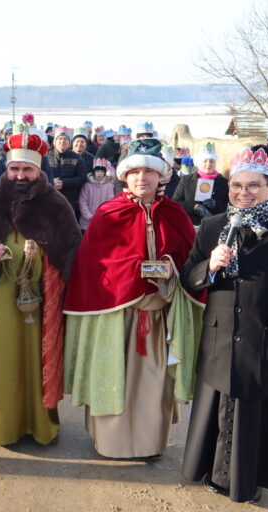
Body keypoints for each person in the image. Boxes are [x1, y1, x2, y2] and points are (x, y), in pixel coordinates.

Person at [180, 145, 268, 503]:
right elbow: (186, 278)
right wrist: (209, 266)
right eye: (237, 185)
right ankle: (211, 471)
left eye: (253, 185)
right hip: (219, 339)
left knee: (254, 416)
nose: (243, 192)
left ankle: (246, 480)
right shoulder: (212, 228)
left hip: (264, 343)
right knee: (216, 409)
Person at [63, 138, 202, 460]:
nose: (143, 178)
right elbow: (94, 267)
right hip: (117, 316)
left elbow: (191, 259)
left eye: (149, 172)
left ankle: (149, 442)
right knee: (115, 377)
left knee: (153, 384)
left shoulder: (175, 214)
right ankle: (111, 442)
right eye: (136, 171)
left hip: (160, 317)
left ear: (161, 176)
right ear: (124, 176)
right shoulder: (108, 214)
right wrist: (132, 271)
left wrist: (172, 269)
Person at [0, 123, 81, 446]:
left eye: (26, 169)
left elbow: (70, 254)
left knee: (37, 364)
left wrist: (42, 256)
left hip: (41, 306)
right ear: (6, 168)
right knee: (2, 363)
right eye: (14, 168)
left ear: (38, 169)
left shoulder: (57, 206)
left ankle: (41, 426)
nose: (19, 175)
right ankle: (2, 426)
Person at [172, 142, 229, 226]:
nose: (208, 164)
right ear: (198, 162)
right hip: (190, 225)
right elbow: (175, 201)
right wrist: (194, 207)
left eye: (211, 161)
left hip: (213, 226)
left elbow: (227, 206)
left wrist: (215, 204)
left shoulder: (223, 182)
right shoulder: (186, 180)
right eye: (205, 161)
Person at [47, 126, 87, 220]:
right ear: (55, 141)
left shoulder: (77, 158)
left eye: (65, 139)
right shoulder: (46, 156)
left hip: (69, 200)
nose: (62, 141)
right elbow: (39, 175)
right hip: (49, 198)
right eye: (59, 139)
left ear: (69, 142)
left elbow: (81, 178)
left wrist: (64, 183)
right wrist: (50, 182)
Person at [78, 158, 115, 231]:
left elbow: (109, 202)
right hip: (86, 221)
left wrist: (101, 216)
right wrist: (89, 216)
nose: (100, 173)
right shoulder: (87, 185)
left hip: (102, 219)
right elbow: (82, 202)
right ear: (94, 172)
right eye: (97, 171)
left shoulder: (109, 186)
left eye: (102, 171)